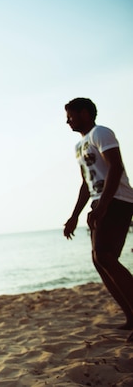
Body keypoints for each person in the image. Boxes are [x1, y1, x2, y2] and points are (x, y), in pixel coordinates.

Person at [63, 97, 133, 343]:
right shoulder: (79, 146)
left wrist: (103, 205)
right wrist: (74, 216)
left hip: (118, 200)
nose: (67, 121)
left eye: (70, 116)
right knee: (99, 260)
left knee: (105, 257)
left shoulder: (101, 133)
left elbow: (116, 167)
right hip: (99, 202)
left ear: (84, 113)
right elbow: (86, 183)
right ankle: (130, 316)